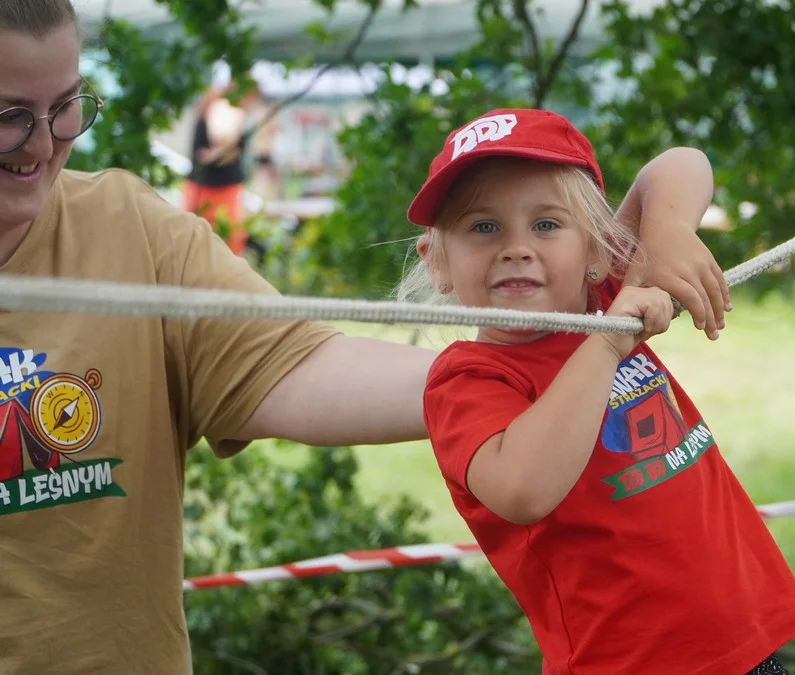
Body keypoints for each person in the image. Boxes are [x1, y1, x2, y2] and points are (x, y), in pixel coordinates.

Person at [0, 3, 732, 674]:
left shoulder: (128, 229)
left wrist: (537, 362)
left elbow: (296, 367)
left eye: (65, 108)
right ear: (436, 261)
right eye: (10, 116)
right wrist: (533, 376)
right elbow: (521, 478)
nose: (42, 144)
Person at [407, 107, 795, 675]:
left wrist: (667, 234)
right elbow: (522, 489)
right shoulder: (468, 378)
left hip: (744, 646)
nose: (516, 247)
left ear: (598, 249)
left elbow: (680, 164)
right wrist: (603, 347)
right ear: (438, 263)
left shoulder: (602, 295)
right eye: (483, 227)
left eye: (546, 224)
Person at [181, 85, 254, 255]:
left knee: (231, 236)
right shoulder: (204, 120)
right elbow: (200, 154)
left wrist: (222, 152)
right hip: (202, 187)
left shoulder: (235, 117)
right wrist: (218, 153)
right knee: (195, 236)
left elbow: (237, 148)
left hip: (226, 188)